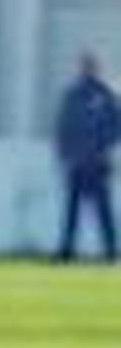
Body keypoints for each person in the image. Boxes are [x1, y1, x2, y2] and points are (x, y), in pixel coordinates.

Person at [55, 51, 120, 262]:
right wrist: (66, 154)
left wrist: (103, 148)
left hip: (99, 162)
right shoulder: (72, 94)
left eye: (91, 65)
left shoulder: (107, 94)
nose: (87, 69)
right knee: (72, 211)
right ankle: (67, 251)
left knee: (104, 211)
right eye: (84, 65)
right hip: (77, 162)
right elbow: (63, 127)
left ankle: (110, 251)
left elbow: (116, 127)